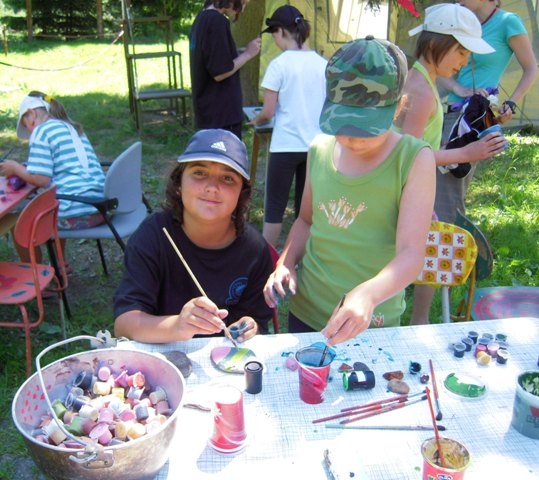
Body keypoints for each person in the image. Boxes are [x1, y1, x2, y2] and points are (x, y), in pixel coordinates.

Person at [263, 37, 436, 346]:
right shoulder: (319, 148)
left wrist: (368, 294)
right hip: (307, 310)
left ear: (398, 107)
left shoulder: (414, 159)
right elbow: (305, 221)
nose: (351, 138)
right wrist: (285, 263)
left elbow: (411, 254)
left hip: (371, 319)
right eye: (342, 124)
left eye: (366, 127)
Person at [393, 3, 508, 325]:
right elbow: (407, 154)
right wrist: (465, 153)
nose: (465, 60)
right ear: (436, 43)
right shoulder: (421, 91)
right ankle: (407, 321)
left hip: (417, 188)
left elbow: (418, 148)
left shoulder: (425, 81)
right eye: (461, 51)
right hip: (405, 192)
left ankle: (416, 321)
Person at [114, 129, 273, 343]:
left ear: (241, 193)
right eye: (199, 173)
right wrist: (177, 325)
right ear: (179, 183)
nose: (212, 187)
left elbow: (257, 320)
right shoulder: (153, 236)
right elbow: (124, 324)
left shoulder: (254, 250)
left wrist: (249, 326)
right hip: (162, 350)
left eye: (227, 178)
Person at [436, 0, 537, 224]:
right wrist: (458, 88)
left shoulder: (507, 22)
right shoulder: (460, 21)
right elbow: (435, 66)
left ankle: (452, 244)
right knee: (432, 189)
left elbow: (531, 68)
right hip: (444, 114)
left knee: (448, 196)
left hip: (473, 120)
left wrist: (511, 103)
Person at [0, 91, 106, 265]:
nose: (30, 132)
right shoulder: (72, 127)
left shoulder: (41, 131)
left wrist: (16, 168)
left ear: (31, 114)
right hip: (100, 207)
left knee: (18, 222)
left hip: (77, 213)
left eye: (26, 126)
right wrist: (27, 169)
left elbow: (42, 180)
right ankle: (60, 263)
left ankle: (34, 274)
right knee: (54, 200)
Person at [251, 5, 327, 247]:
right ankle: (299, 259)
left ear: (282, 31)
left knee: (274, 207)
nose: (274, 39)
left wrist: (255, 119)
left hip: (285, 145)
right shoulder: (322, 64)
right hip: (316, 146)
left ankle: (266, 258)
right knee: (304, 211)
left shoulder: (278, 65)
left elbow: (268, 112)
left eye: (274, 33)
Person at [189, 0, 261, 139]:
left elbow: (211, 58)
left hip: (209, 113)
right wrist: (248, 54)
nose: (242, 10)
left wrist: (236, 53)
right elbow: (220, 72)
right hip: (222, 116)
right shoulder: (217, 21)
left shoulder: (202, 18)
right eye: (243, 3)